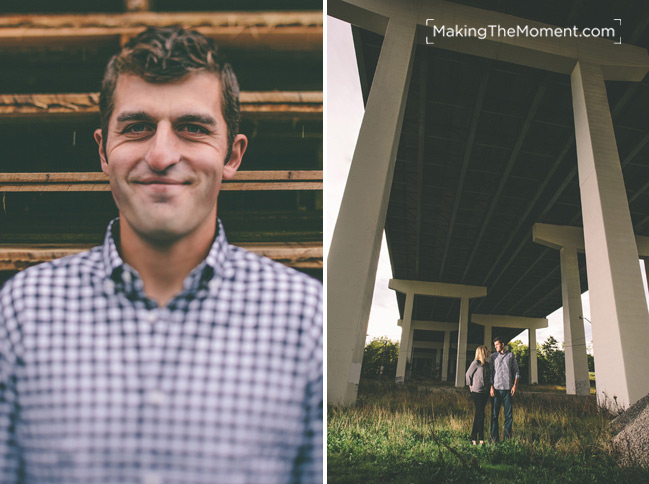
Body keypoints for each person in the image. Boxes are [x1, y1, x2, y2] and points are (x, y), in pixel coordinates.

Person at [0, 27, 322, 484]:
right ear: (103, 152)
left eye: (193, 129)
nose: (161, 154)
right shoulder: (22, 310)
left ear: (232, 155)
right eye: (137, 128)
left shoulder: (304, 318)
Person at [490, 336, 520, 442]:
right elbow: (490, 373)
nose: (496, 347)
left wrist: (515, 385)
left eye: (497, 345)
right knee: (494, 415)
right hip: (496, 389)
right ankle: (494, 439)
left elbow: (516, 371)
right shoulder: (493, 357)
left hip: (508, 389)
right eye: (495, 345)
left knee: (509, 416)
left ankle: (507, 440)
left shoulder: (511, 355)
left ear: (503, 344)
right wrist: (491, 387)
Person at [465, 345, 490, 445]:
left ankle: (473, 437)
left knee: (478, 414)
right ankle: (481, 439)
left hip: (485, 392)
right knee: (481, 414)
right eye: (487, 351)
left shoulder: (487, 365)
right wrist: (470, 385)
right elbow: (468, 375)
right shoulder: (475, 363)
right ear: (482, 352)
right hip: (477, 392)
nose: (488, 352)